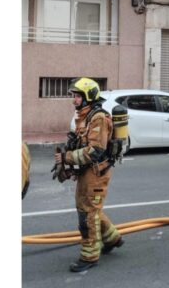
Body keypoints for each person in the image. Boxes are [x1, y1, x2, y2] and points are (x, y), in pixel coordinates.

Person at [54, 77, 124, 272]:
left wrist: (67, 158)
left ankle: (90, 256)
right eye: (74, 96)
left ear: (89, 96)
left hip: (96, 174)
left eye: (77, 96)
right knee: (87, 208)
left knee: (88, 214)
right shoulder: (85, 116)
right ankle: (112, 239)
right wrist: (71, 167)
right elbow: (81, 145)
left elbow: (95, 150)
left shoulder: (98, 118)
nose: (74, 100)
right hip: (88, 172)